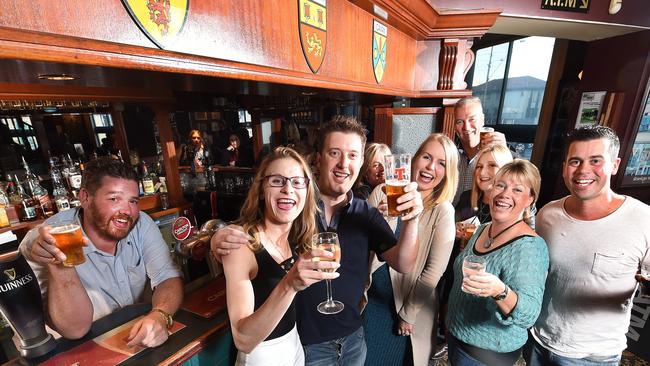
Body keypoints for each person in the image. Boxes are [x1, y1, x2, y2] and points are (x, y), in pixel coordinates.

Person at [212, 115, 423, 365]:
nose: (344, 163)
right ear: (319, 159)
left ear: (361, 163)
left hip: (353, 338)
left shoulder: (366, 214)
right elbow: (258, 229)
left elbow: (404, 263)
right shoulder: (296, 207)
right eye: (335, 152)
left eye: (353, 155)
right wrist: (218, 236)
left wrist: (412, 220)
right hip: (304, 343)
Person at [19, 157, 183, 347]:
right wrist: (60, 263)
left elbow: (167, 276)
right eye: (114, 199)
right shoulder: (49, 239)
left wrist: (160, 315)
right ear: (85, 198)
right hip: (77, 349)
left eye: (133, 201)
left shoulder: (141, 223)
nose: (127, 211)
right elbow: (75, 329)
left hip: (133, 335)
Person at [525, 126, 650, 366]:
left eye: (595, 161)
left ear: (614, 165)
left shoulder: (643, 219)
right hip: (538, 342)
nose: (583, 170)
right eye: (575, 161)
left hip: (594, 356)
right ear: (564, 168)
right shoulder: (548, 214)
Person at [223, 147, 338, 365]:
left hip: (294, 345)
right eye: (277, 181)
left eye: (297, 181)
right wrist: (289, 284)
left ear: (306, 191)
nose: (288, 189)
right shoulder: (241, 245)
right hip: (261, 355)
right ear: (261, 190)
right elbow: (243, 339)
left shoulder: (298, 237)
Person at [363, 133, 458, 366]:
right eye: (426, 157)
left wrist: (408, 313)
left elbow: (434, 270)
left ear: (447, 173)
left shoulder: (442, 211)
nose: (430, 167)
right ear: (414, 160)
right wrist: (381, 221)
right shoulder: (383, 192)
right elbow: (360, 247)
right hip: (370, 304)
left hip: (405, 313)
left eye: (441, 163)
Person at [446, 159, 549, 366]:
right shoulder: (483, 229)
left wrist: (500, 291)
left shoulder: (530, 247)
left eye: (517, 190)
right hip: (457, 338)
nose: (504, 194)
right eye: (500, 185)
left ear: (530, 199)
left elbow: (529, 314)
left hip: (487, 355)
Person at [453, 97, 506, 205]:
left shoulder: (499, 156)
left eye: (472, 119)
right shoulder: (450, 155)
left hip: (486, 219)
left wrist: (504, 155)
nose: (466, 127)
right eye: (460, 122)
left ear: (482, 120)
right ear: (454, 126)